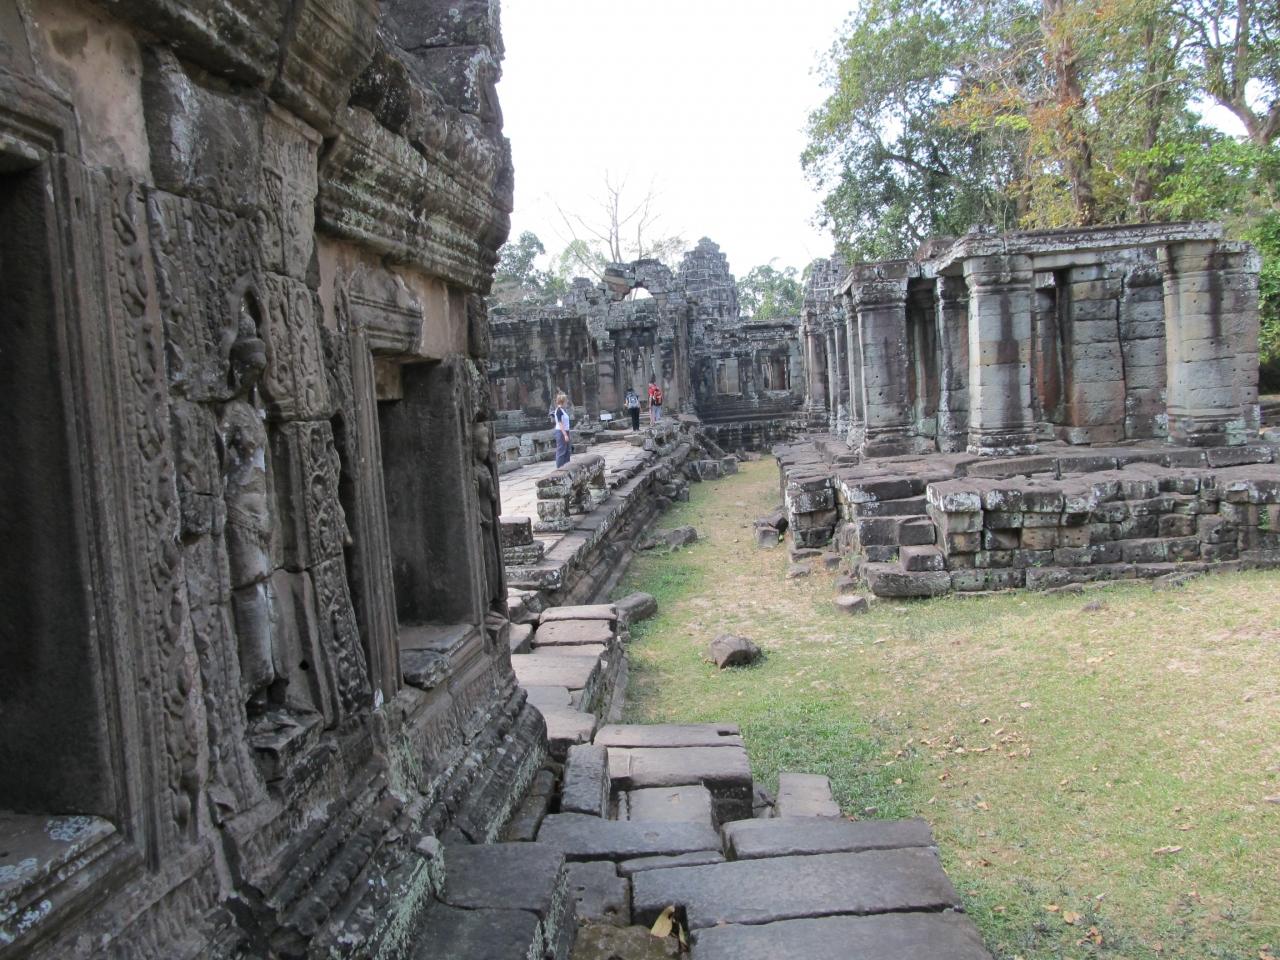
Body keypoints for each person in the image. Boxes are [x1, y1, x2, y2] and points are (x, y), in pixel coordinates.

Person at [553, 391, 572, 467]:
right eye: (566, 401)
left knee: (567, 451)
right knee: (561, 451)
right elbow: (560, 423)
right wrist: (565, 435)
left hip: (566, 431)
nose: (567, 402)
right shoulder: (558, 410)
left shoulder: (563, 410)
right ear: (563, 401)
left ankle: (567, 467)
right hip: (561, 432)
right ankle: (560, 469)